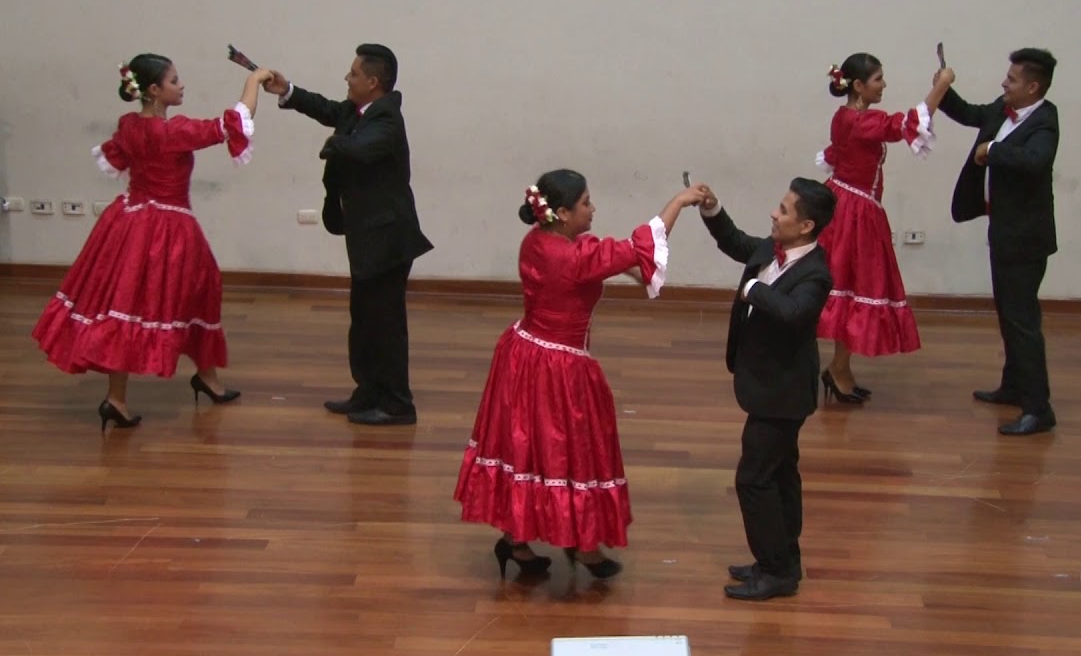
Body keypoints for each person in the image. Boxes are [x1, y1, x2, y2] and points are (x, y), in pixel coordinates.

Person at [453, 169, 707, 580]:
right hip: (560, 367)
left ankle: (518, 540)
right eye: (587, 202)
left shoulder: (539, 241)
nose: (594, 208)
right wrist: (679, 202)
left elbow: (610, 257)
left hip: (522, 354)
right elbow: (636, 248)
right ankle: (582, 545)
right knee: (574, 450)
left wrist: (627, 262)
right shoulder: (574, 258)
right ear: (564, 213)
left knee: (526, 447)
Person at [31, 53, 271, 431]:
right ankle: (130, 396)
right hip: (167, 226)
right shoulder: (170, 133)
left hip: (128, 221)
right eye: (175, 80)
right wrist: (255, 80)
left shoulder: (130, 126)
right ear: (155, 90)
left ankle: (159, 389)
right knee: (172, 295)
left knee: (140, 299)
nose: (182, 85)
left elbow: (122, 160)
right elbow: (235, 122)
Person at [264, 44, 432, 425]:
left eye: (353, 73)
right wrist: (287, 89)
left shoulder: (386, 120)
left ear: (372, 82)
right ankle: (368, 391)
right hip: (367, 237)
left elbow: (361, 149)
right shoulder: (359, 112)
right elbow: (325, 108)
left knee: (386, 325)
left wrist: (335, 144)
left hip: (388, 240)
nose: (347, 78)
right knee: (364, 319)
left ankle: (396, 404)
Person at [694, 177, 836, 601]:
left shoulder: (816, 274)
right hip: (768, 387)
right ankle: (783, 559)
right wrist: (712, 208)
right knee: (780, 476)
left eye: (784, 210)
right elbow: (735, 241)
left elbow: (793, 314)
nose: (775, 214)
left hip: (783, 394)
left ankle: (776, 572)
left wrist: (754, 288)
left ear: (806, 226)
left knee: (753, 480)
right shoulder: (771, 251)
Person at [814, 54, 955, 403]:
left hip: (849, 204)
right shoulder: (860, 121)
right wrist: (942, 85)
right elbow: (906, 125)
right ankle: (837, 369)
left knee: (848, 289)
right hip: (854, 211)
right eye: (878, 79)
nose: (884, 85)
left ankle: (839, 367)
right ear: (859, 86)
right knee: (853, 287)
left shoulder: (846, 117)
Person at [935, 48, 1060, 436]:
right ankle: (1013, 385)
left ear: (1033, 86)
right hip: (1003, 231)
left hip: (1026, 238)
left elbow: (1035, 160)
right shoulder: (1001, 109)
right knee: (1008, 314)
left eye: (1012, 79)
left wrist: (993, 150)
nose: (1004, 83)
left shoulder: (1045, 120)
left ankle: (1039, 409)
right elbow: (969, 114)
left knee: (1022, 321)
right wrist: (942, 88)